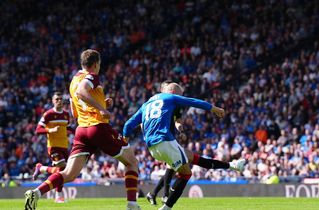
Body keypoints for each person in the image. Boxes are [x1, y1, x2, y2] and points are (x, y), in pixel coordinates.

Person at [24, 49, 141, 210]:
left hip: (82, 130)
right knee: (132, 162)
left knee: (68, 174)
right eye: (99, 64)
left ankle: (36, 193)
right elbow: (83, 91)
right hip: (97, 127)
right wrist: (101, 109)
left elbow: (75, 110)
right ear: (95, 64)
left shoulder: (73, 81)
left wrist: (101, 103)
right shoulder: (91, 76)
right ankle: (132, 204)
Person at [123, 82, 245, 210]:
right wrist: (214, 108)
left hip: (152, 148)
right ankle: (166, 206)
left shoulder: (146, 105)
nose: (180, 100)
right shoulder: (170, 97)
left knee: (191, 157)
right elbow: (194, 102)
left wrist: (125, 143)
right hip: (165, 141)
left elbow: (128, 125)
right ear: (173, 92)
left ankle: (233, 166)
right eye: (180, 96)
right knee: (186, 174)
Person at [146, 81, 187, 205]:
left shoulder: (175, 104)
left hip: (170, 138)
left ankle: (154, 194)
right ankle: (164, 195)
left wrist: (181, 131)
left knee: (173, 167)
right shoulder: (153, 103)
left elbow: (178, 121)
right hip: (160, 139)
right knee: (174, 166)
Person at [33, 92, 74, 203]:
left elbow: (68, 127)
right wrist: (50, 130)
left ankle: (41, 168)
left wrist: (77, 132)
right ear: (52, 101)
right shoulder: (48, 114)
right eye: (57, 99)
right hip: (53, 146)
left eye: (61, 99)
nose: (59, 101)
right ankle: (58, 196)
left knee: (62, 171)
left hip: (64, 146)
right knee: (63, 168)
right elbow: (38, 129)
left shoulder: (66, 114)